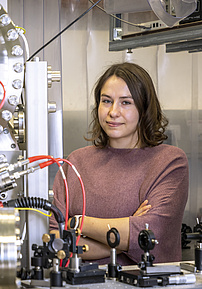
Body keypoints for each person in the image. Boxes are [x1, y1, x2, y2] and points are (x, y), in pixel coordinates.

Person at [49, 62, 189, 265]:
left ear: (145, 107)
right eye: (106, 101)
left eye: (126, 103)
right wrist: (124, 235)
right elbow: (55, 241)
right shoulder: (75, 162)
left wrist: (77, 223)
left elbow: (151, 235)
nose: (113, 112)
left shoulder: (169, 162)